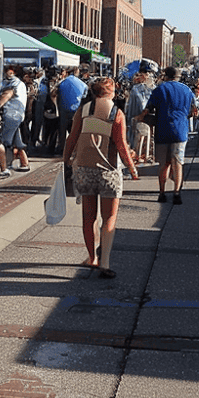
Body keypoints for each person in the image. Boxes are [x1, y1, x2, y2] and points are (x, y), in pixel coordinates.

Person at [63, 76, 139, 277]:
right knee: (109, 218)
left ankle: (92, 257)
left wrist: (66, 160)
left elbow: (72, 138)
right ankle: (105, 262)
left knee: (88, 218)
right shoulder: (116, 113)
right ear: (111, 92)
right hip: (109, 171)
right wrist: (132, 168)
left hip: (85, 170)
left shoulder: (84, 111)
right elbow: (121, 144)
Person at [139, 65, 195, 205]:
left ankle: (162, 193)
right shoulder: (187, 90)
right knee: (178, 163)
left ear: (165, 76)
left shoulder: (160, 89)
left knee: (163, 164)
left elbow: (148, 108)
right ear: (178, 76)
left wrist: (139, 117)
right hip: (180, 131)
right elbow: (195, 110)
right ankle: (177, 193)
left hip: (163, 130)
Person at [0, 64, 30, 177]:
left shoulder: (12, 83)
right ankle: (24, 163)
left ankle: (6, 166)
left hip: (11, 115)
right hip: (18, 115)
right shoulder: (20, 83)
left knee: (5, 142)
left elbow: (6, 94)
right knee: (17, 140)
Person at [125, 67, 154, 164]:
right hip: (145, 116)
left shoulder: (137, 89)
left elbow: (134, 106)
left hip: (139, 116)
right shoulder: (142, 89)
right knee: (144, 136)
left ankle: (140, 154)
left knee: (139, 136)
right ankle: (144, 154)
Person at [57, 67, 88, 152]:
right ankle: (74, 149)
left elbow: (57, 95)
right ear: (77, 72)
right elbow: (85, 98)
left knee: (62, 131)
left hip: (63, 109)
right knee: (74, 131)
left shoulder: (62, 83)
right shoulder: (83, 84)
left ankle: (62, 149)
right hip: (76, 110)